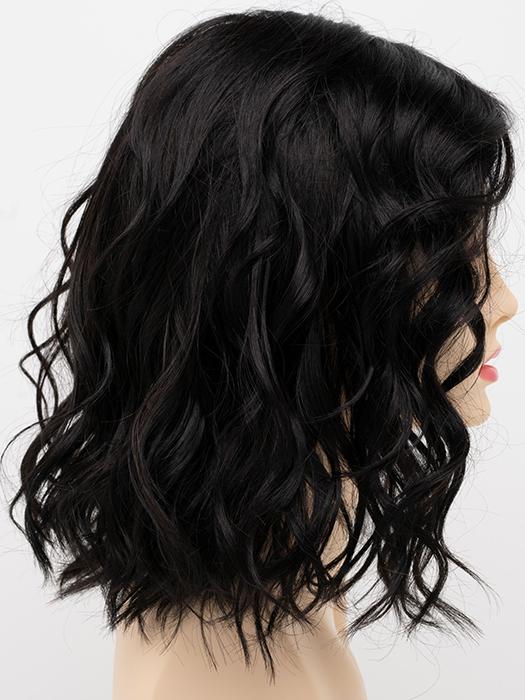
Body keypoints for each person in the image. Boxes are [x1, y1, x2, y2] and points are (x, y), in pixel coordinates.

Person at [3, 9, 519, 700]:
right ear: (304, 291)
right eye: (453, 259)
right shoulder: (231, 675)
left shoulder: (285, 596)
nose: (503, 300)